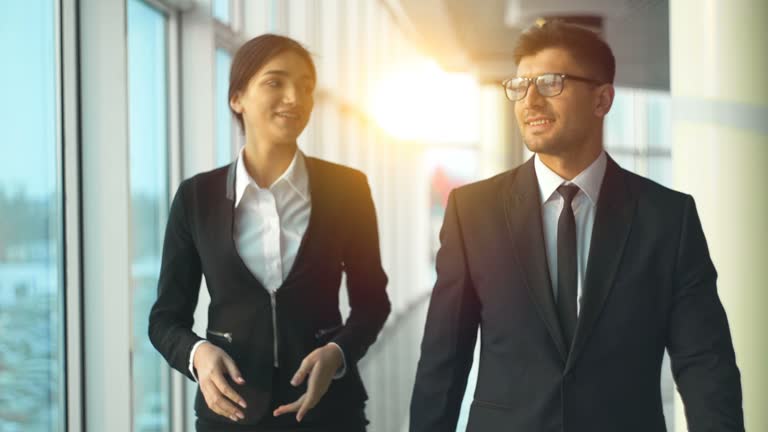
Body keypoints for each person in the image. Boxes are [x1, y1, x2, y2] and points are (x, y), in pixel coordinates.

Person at [410, 21, 743, 431]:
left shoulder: (667, 218)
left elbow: (705, 363)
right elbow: (444, 361)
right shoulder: (473, 211)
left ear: (602, 99)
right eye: (520, 85)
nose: (530, 100)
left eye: (551, 83)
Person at [149, 34, 390, 432]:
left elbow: (372, 301)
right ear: (237, 98)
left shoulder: (348, 189)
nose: (294, 97)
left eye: (305, 86)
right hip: (230, 414)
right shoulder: (197, 197)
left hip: (329, 413)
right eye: (275, 82)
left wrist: (337, 352)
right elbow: (165, 319)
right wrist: (198, 354)